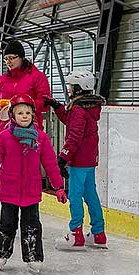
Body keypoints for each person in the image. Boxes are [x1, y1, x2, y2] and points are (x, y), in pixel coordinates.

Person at [0, 94, 68, 275]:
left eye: (28, 112)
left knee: (31, 225)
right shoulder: (4, 138)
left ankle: (33, 256)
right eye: (20, 113)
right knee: (7, 224)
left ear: (33, 115)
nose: (24, 116)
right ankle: (2, 253)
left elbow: (50, 165)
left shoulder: (41, 138)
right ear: (12, 116)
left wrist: (58, 187)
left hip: (31, 191)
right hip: (9, 189)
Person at [44, 70, 107, 250]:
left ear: (79, 88)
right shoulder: (87, 107)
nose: (69, 89)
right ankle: (98, 233)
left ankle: (76, 234)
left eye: (71, 86)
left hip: (78, 161)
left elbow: (74, 136)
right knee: (90, 195)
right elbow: (70, 121)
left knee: (75, 196)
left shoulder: (79, 109)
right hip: (89, 161)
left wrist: (62, 158)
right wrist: (57, 106)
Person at [0, 40, 51, 132]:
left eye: (12, 58)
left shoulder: (37, 77)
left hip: (29, 130)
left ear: (21, 57)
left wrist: (23, 105)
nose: (8, 62)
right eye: (6, 59)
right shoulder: (3, 79)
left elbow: (45, 103)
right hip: (6, 130)